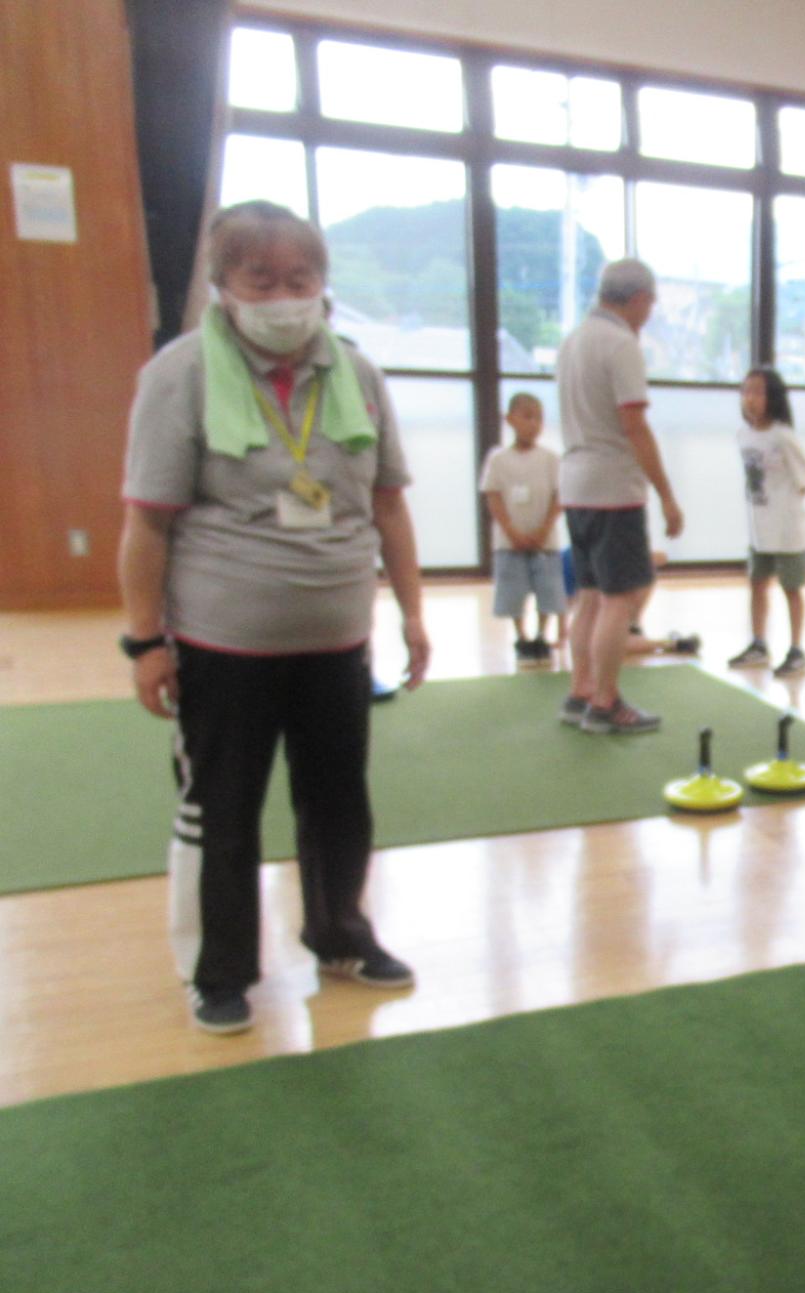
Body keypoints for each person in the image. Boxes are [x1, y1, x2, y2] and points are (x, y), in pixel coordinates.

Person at [116, 200, 427, 1035]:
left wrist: (415, 613)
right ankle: (218, 973)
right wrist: (145, 642)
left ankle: (339, 935)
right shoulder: (179, 375)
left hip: (336, 640)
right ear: (222, 287)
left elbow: (390, 508)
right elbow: (147, 523)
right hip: (225, 645)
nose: (285, 296)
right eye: (263, 280)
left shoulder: (355, 374)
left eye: (301, 279)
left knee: (338, 802)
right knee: (224, 812)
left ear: (323, 286)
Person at [554, 258, 685, 735]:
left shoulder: (573, 341)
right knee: (619, 599)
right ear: (637, 299)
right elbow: (634, 425)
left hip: (575, 482)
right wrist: (667, 494)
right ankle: (606, 703)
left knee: (589, 595)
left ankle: (581, 690)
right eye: (650, 302)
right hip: (612, 488)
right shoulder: (620, 344)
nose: (650, 312)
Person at [726, 367, 805, 678]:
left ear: (773, 397)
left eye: (758, 392)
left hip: (787, 530)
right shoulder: (743, 435)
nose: (750, 399)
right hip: (758, 529)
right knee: (757, 584)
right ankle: (758, 644)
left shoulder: (783, 436)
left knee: (791, 587)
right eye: (745, 391)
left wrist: (784, 509)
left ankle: (796, 649)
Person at [481, 391, 565, 666]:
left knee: (548, 589)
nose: (534, 424)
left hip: (546, 541)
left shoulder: (551, 459)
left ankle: (542, 634)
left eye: (539, 418)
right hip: (509, 542)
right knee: (513, 589)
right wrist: (511, 531)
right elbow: (493, 496)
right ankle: (521, 636)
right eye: (527, 416)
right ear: (510, 419)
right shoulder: (498, 459)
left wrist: (543, 529)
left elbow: (559, 496)